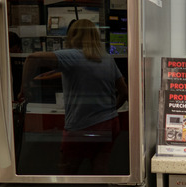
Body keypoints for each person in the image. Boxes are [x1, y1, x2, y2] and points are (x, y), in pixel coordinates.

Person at [19, 19, 128, 175]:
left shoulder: (73, 56)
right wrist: (109, 111)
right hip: (109, 123)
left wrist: (25, 87)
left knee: (68, 171)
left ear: (73, 35)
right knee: (100, 169)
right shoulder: (106, 59)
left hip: (81, 126)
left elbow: (32, 59)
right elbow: (124, 92)